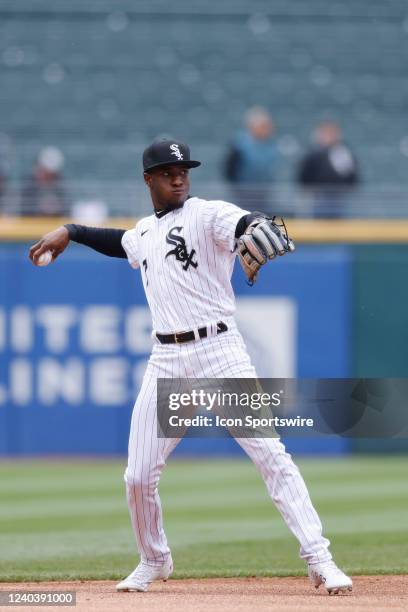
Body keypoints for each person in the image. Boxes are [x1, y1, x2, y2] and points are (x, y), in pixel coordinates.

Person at [29, 138, 352, 596]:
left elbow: (244, 222)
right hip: (167, 362)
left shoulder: (206, 213)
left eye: (183, 170)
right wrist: (71, 231)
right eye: (167, 171)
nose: (178, 177)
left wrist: (255, 225)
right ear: (148, 179)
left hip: (221, 351)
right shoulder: (143, 233)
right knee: (139, 474)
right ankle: (154, 559)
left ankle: (321, 559)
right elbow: (117, 242)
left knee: (271, 456)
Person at [296, 122, 359, 218]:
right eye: (325, 133)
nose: (328, 137)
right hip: (317, 198)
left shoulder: (343, 153)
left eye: (331, 133)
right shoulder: (313, 153)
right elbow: (304, 176)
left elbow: (352, 177)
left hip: (339, 198)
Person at [223, 107, 278, 214]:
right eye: (263, 126)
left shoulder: (272, 145)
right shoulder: (239, 145)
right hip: (243, 194)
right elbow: (229, 169)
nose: (267, 129)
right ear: (252, 126)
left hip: (264, 194)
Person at [21, 146, 69, 216]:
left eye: (52, 174)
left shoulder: (61, 187)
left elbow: (67, 209)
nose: (49, 176)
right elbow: (23, 211)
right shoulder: (29, 187)